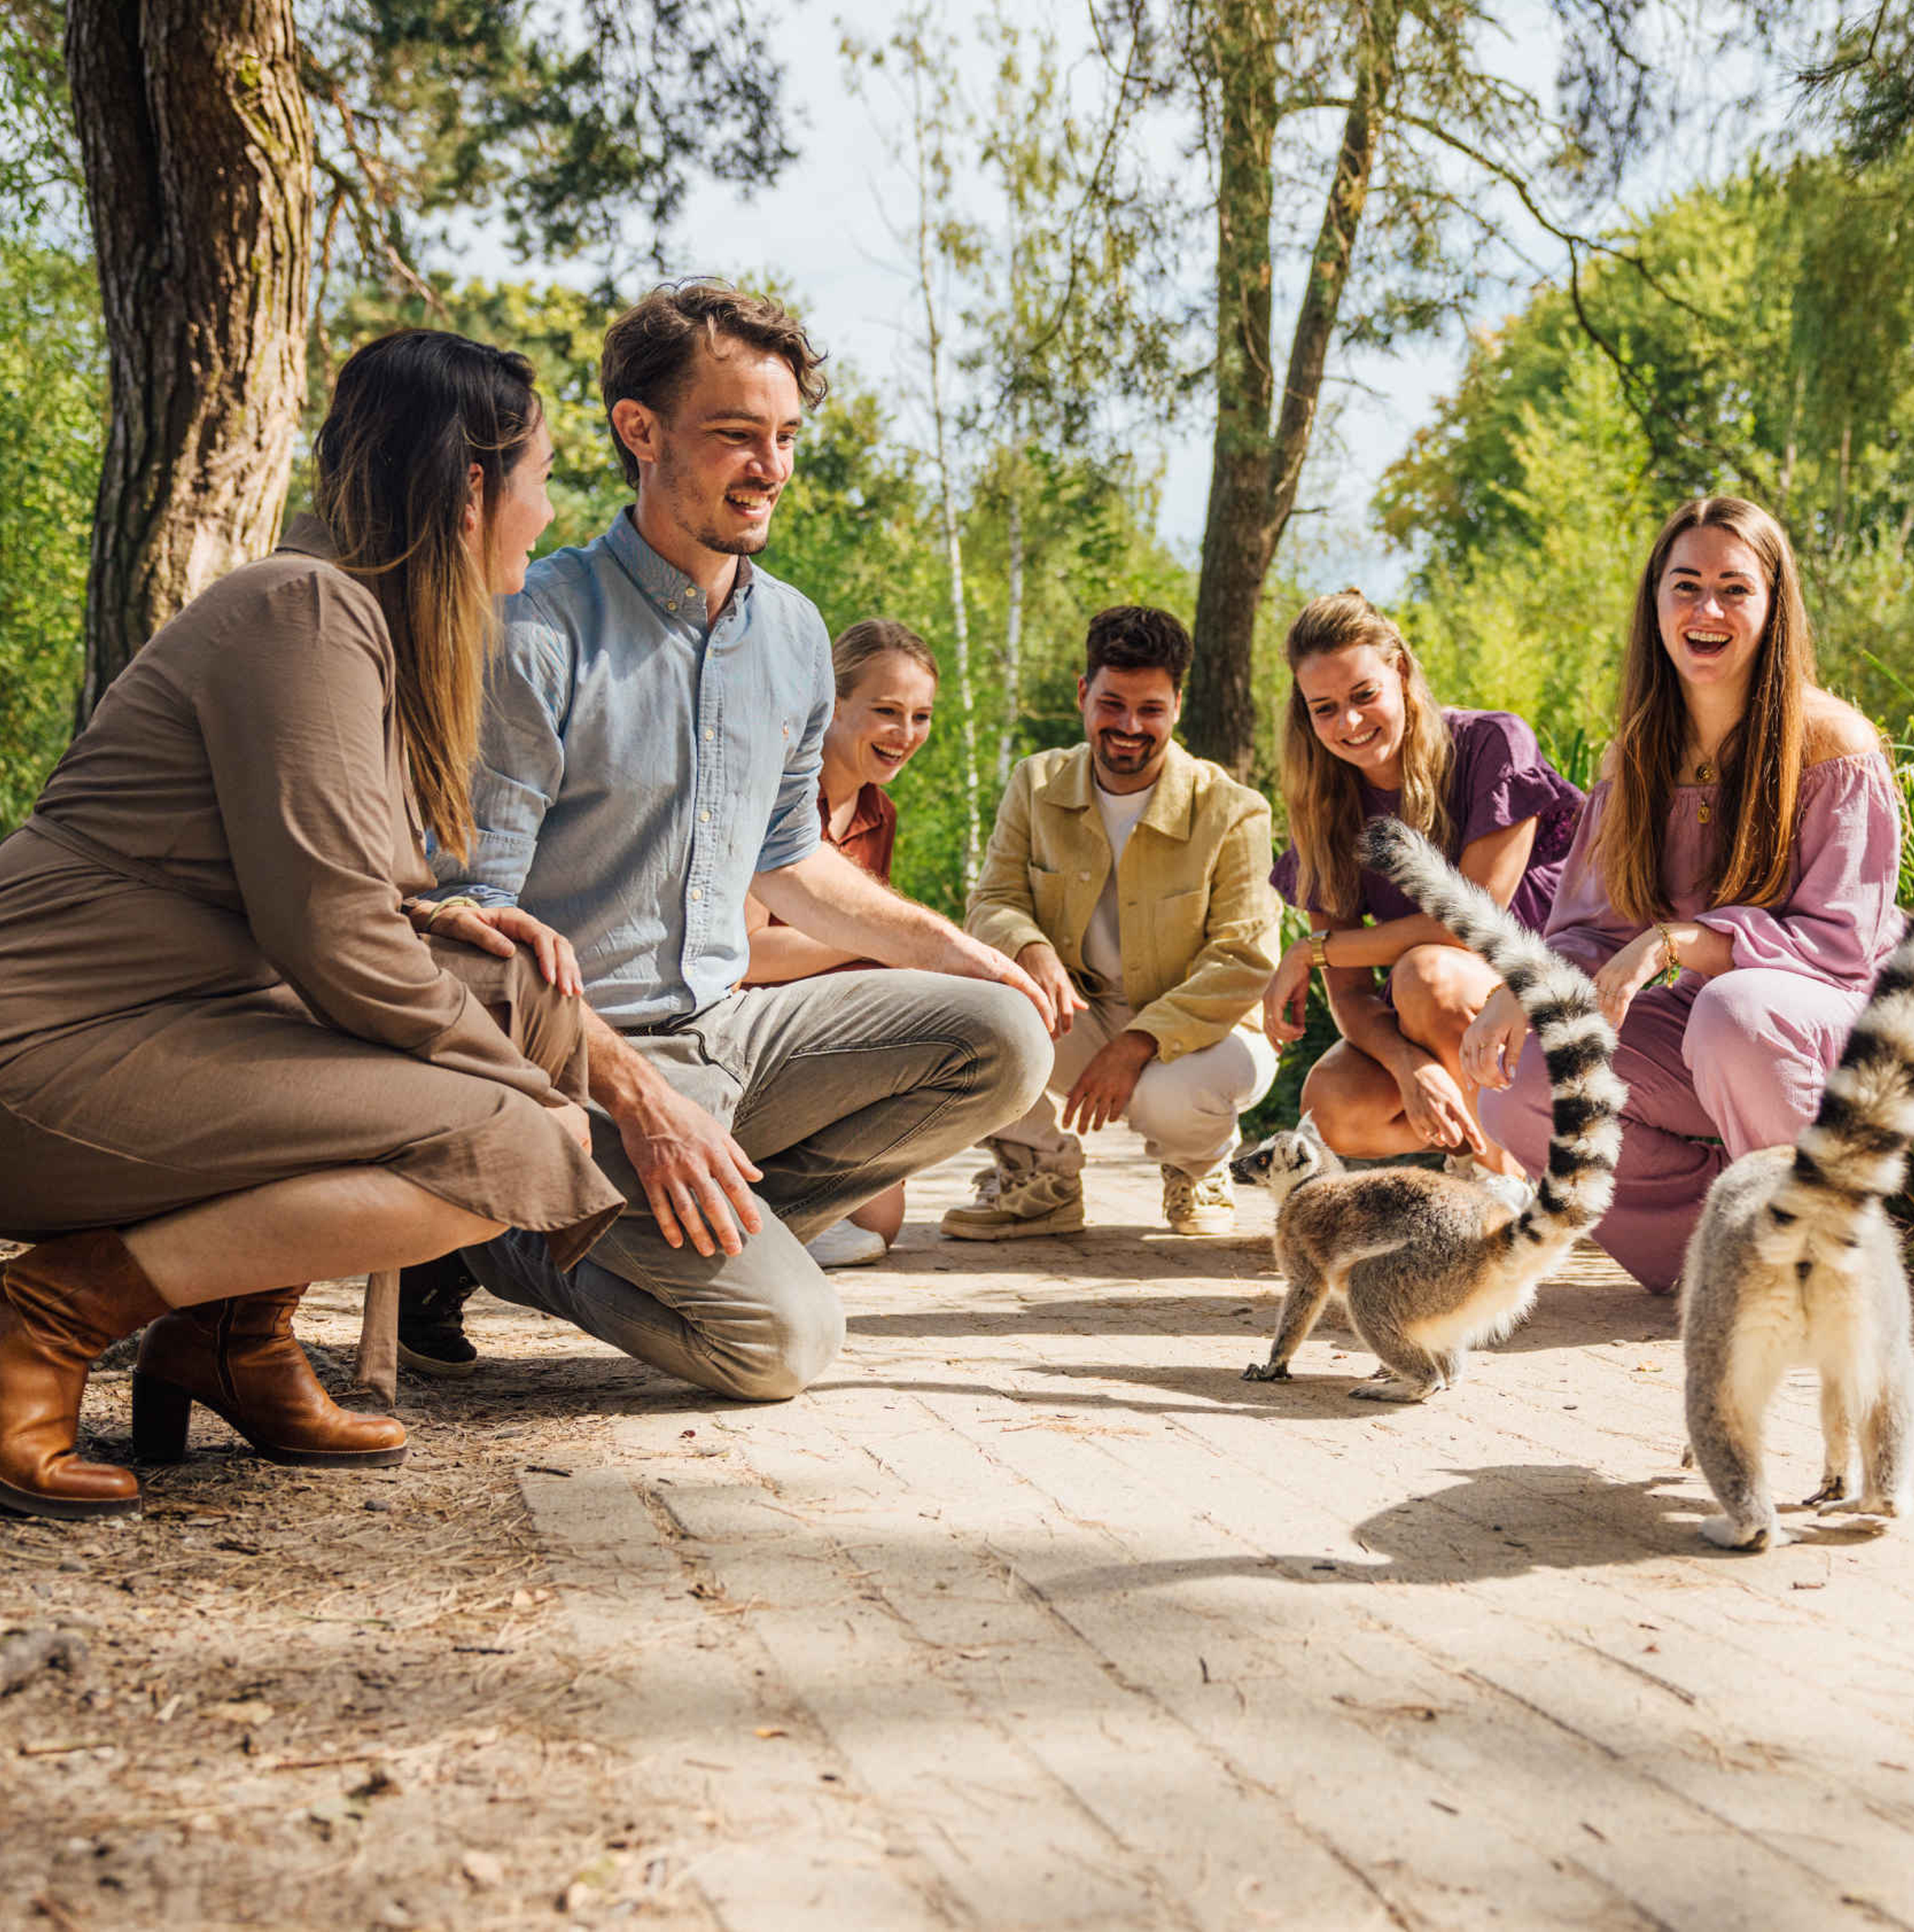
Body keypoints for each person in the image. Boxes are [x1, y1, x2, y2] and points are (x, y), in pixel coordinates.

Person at [0, 328, 625, 1520]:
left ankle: (226, 1337)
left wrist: (455, 926)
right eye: (538, 474)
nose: (545, 507)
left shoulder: (357, 629)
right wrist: (532, 1094)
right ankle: (33, 1316)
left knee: (529, 1006)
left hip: (158, 1020)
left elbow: (313, 880)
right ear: (471, 485)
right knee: (517, 1146)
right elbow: (331, 937)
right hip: (12, 1051)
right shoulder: (302, 612)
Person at [407, 279, 1055, 1399]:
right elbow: (463, 932)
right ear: (640, 431)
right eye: (736, 436)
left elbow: (791, 862)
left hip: (733, 1036)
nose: (771, 468)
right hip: (577, 1073)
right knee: (782, 1344)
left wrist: (956, 950)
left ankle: (672, 1228)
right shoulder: (534, 630)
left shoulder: (798, 634)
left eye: (787, 437)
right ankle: (498, 1239)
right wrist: (641, 1102)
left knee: (1004, 1033)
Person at [1463, 495, 1904, 1291]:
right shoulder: (1635, 755)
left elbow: (1840, 945)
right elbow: (1592, 928)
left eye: (1735, 588)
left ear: (1774, 606)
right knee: (1531, 1084)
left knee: (1733, 1011)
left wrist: (1676, 941)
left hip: (1826, 1035)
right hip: (1716, 1037)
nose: (1708, 609)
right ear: (1655, 602)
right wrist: (1518, 990)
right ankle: (1720, 1250)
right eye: (1686, 585)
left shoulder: (1836, 744)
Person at [948, 604, 1282, 1240]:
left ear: (1177, 706)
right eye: (1112, 704)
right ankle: (1041, 1175)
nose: (1130, 727)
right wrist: (1031, 949)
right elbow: (992, 901)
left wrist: (1137, 1045)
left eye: (1151, 709)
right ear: (1083, 695)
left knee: (1171, 1097)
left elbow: (1245, 961)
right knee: (963, 1014)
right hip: (1078, 1015)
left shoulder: (1234, 810)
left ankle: (1199, 1163)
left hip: (1200, 1036)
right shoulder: (1035, 781)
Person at [1263, 590, 1584, 1200]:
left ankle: (1501, 1185)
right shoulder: (1325, 809)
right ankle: (1491, 1155)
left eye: (1364, 695)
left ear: (1401, 672)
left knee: (1426, 974)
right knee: (1332, 1102)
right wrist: (1412, 1069)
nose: (1349, 724)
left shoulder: (1491, 744)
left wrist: (1312, 951)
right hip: (1444, 1025)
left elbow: (1470, 924)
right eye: (1324, 708)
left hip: (1543, 1003)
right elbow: (1352, 1000)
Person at [738, 617, 941, 1269]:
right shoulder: (774, 792)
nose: (905, 735)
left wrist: (884, 945)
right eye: (886, 711)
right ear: (830, 703)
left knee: (880, 1224)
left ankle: (769, 1203)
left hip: (832, 1023)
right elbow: (748, 955)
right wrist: (886, 940)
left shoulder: (881, 812)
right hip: (749, 1025)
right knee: (861, 1226)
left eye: (920, 716)